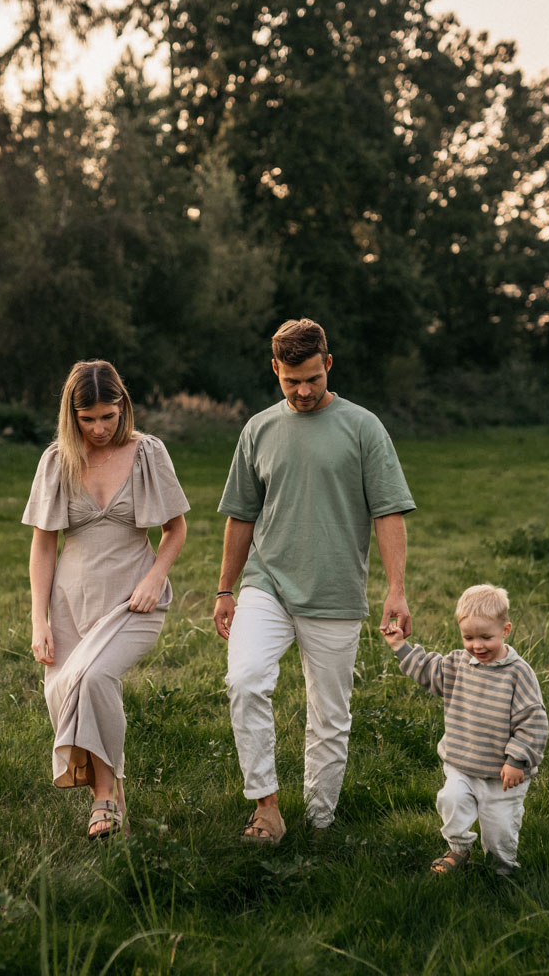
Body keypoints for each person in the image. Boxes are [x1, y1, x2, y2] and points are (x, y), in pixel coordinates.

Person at [214, 318, 415, 842]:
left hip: (335, 592)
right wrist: (224, 588)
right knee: (245, 679)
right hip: (268, 584)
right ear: (275, 369)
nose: (302, 391)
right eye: (290, 381)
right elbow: (240, 515)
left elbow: (389, 511)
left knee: (330, 714)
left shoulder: (364, 427)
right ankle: (267, 807)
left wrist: (396, 589)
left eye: (312, 379)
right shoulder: (258, 429)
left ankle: (321, 821)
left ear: (328, 364)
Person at [23, 360, 189, 839]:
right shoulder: (57, 461)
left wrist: (156, 577)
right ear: (71, 415)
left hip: (132, 598)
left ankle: (104, 798)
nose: (99, 428)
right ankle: (113, 799)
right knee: (67, 689)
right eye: (87, 418)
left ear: (124, 408)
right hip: (69, 604)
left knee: (94, 678)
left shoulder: (147, 453)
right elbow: (43, 545)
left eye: (108, 417)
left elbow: (175, 528)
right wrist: (39, 621)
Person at [383, 584, 548, 875]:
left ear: (506, 630)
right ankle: (459, 849)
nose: (478, 646)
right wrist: (400, 646)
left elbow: (532, 720)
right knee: (451, 800)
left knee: (499, 827)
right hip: (462, 762)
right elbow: (427, 670)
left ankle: (502, 869)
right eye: (469, 637)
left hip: (502, 774)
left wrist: (517, 760)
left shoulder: (518, 673)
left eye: (487, 637)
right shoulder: (458, 664)